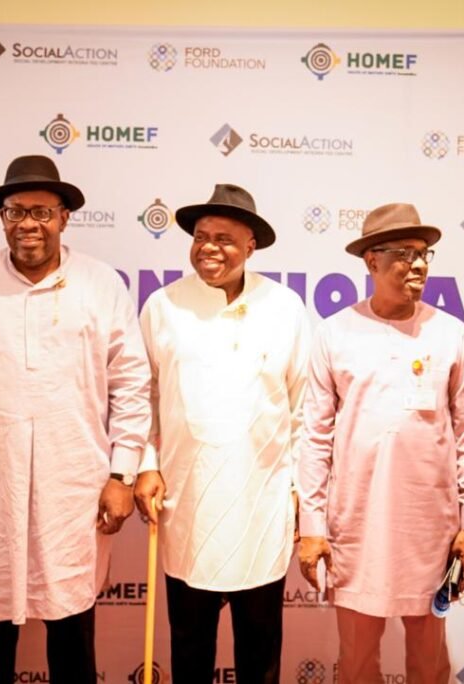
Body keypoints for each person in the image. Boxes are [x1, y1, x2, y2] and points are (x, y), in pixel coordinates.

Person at [0, 155, 151, 684]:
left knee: (72, 633)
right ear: (1, 218)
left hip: (74, 491)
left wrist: (122, 474)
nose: (28, 224)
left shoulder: (101, 284)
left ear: (64, 217)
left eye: (42, 212)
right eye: (16, 211)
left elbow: (131, 386)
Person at [297, 203, 464, 684]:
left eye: (423, 254)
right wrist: (311, 527)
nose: (418, 264)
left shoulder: (451, 333)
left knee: (429, 662)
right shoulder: (334, 333)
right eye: (404, 253)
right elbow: (314, 437)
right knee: (357, 662)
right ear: (372, 261)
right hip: (356, 525)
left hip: (431, 527)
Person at [134, 183, 310, 684]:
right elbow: (142, 397)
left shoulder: (284, 307)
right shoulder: (164, 306)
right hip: (188, 503)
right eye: (201, 237)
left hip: (262, 505)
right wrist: (146, 464)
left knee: (260, 651)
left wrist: (300, 492)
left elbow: (303, 408)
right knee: (190, 648)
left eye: (224, 239)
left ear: (251, 245)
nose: (208, 248)